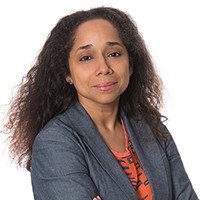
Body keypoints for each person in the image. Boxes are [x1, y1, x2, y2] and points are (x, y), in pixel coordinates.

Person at [3, 6, 198, 200]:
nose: (103, 68)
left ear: (130, 64)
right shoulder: (55, 143)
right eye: (86, 58)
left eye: (114, 54)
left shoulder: (152, 128)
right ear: (67, 73)